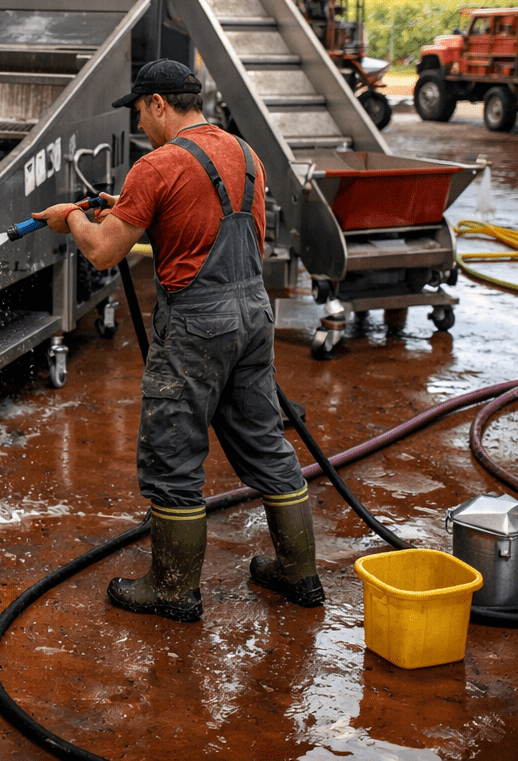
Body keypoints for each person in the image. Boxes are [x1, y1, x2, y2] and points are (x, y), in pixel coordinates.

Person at [32, 58, 324, 623]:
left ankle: (172, 591)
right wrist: (127, 209)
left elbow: (103, 252)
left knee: (173, 453)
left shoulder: (157, 165)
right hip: (252, 314)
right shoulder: (245, 154)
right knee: (265, 443)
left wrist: (71, 217)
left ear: (160, 103)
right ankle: (298, 573)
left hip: (196, 325)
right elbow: (202, 217)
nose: (140, 123)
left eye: (141, 111)